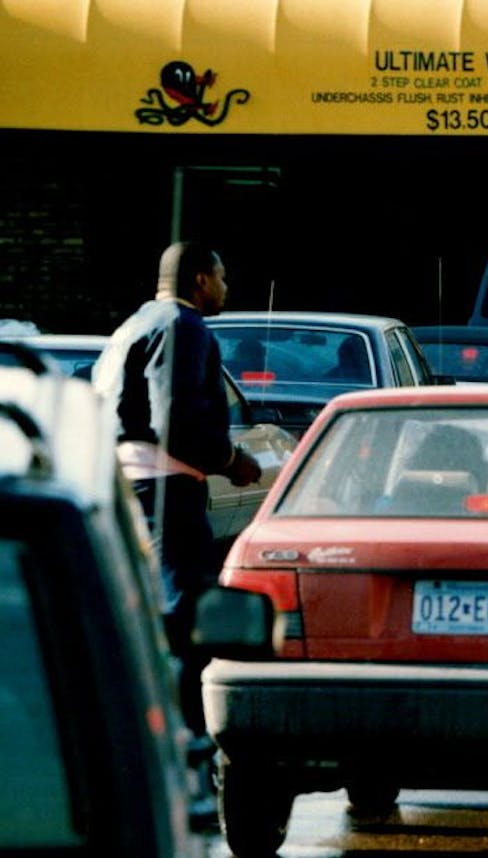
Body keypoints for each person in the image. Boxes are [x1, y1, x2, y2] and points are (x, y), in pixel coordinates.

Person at [91, 241, 262, 827]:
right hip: (167, 488)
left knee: (145, 613)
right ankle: (186, 758)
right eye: (221, 276)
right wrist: (231, 458)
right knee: (183, 618)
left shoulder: (133, 324)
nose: (225, 288)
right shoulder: (183, 325)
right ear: (197, 280)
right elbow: (177, 420)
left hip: (126, 482)